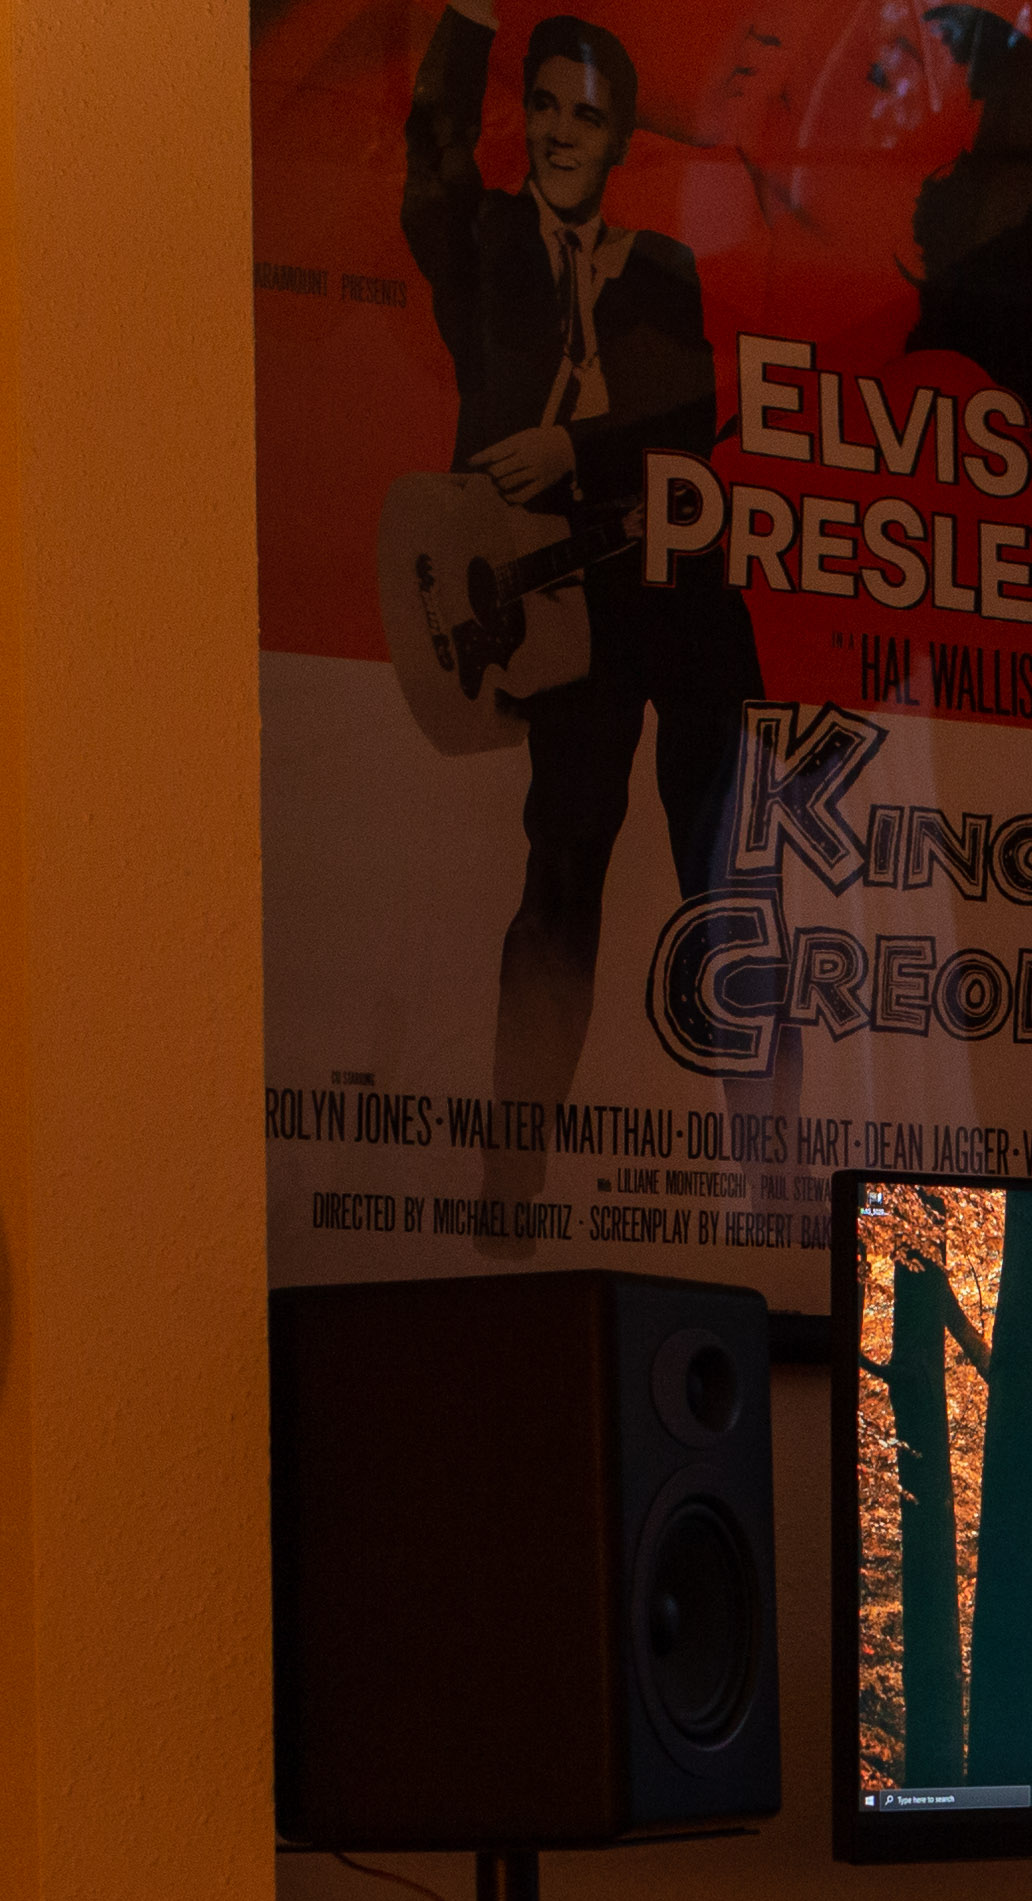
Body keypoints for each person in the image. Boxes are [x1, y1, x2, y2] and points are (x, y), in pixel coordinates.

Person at [400, 3, 770, 1108]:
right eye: (545, 107)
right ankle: (513, 1183)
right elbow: (434, 150)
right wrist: (473, 15)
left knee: (736, 895)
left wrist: (572, 447)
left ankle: (781, 1176)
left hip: (683, 604)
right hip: (561, 619)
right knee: (560, 882)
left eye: (588, 117)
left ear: (618, 143)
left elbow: (686, 419)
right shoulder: (484, 245)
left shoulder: (663, 266)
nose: (561, 132)